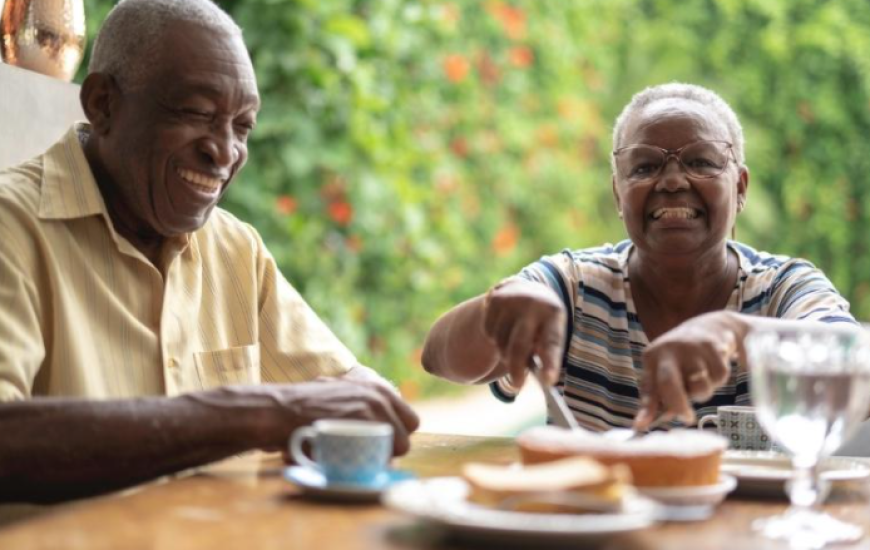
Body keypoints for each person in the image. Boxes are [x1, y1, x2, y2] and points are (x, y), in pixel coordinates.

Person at [0, 0, 418, 504]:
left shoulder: (235, 248)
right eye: (197, 113)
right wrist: (254, 413)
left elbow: (348, 396)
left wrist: (371, 403)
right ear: (104, 104)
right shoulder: (12, 228)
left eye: (242, 126)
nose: (224, 152)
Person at [422, 83, 855, 433]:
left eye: (701, 161)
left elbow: (858, 363)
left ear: (740, 187)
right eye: (645, 167)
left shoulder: (783, 288)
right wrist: (498, 308)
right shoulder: (573, 287)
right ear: (617, 192)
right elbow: (439, 358)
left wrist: (734, 331)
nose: (671, 181)